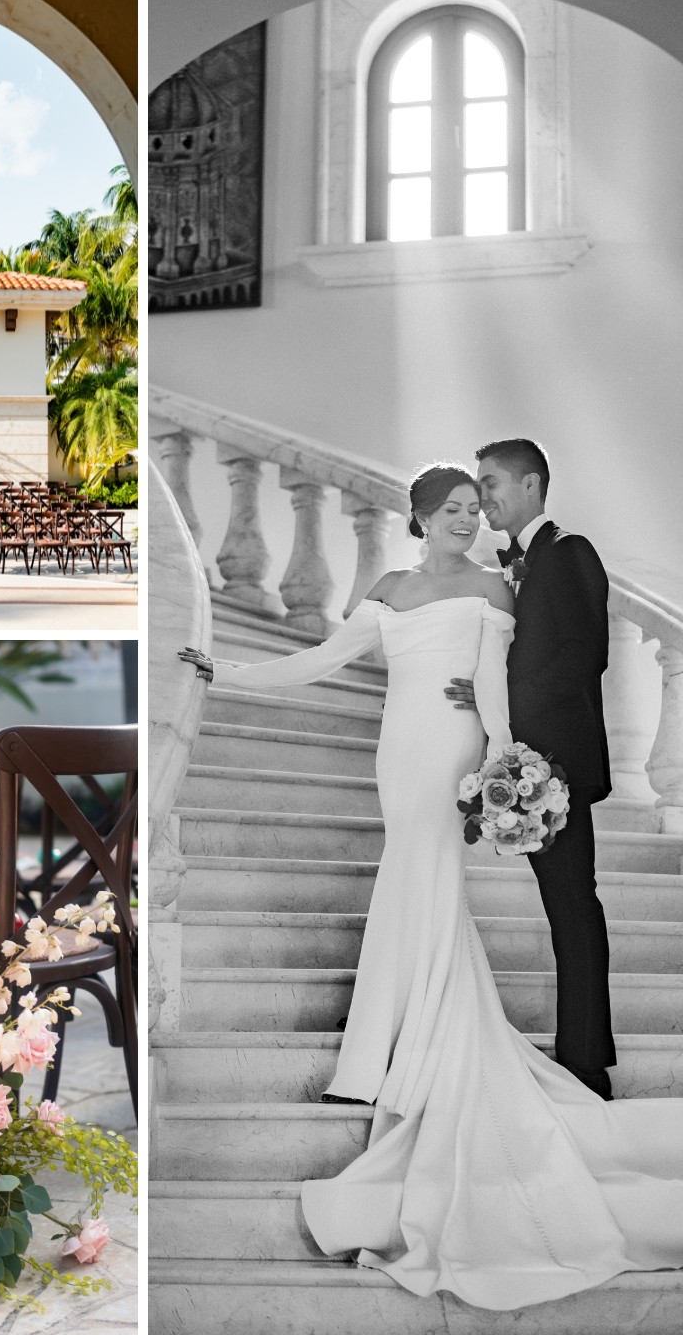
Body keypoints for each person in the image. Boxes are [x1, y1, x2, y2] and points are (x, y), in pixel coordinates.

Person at [177, 461, 683, 1311]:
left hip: (451, 751)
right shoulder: (389, 585)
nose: (466, 518)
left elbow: (497, 681)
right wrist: (225, 672)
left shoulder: (494, 586)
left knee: (426, 884)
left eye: (472, 507)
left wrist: (499, 762)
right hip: (396, 755)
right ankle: (383, 1053)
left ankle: (388, 1060)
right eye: (450, 509)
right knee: (402, 887)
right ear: (416, 516)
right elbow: (325, 659)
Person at [444, 438, 615, 1100]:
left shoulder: (569, 550)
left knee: (573, 907)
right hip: (525, 760)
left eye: (490, 484)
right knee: (564, 905)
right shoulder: (512, 563)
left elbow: (583, 655)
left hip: (560, 766)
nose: (482, 497)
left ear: (531, 485)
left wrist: (509, 705)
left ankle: (587, 1065)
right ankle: (581, 1053)